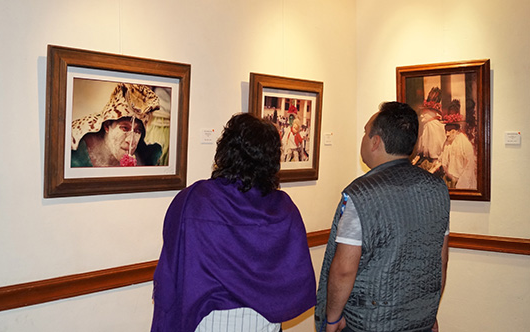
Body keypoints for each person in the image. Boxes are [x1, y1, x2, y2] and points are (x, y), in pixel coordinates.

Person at [151, 113, 316, 332]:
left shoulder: (195, 200)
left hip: (209, 318)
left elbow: (172, 266)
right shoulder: (283, 207)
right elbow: (294, 270)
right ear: (271, 159)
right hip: (264, 321)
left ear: (225, 151)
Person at [314, 102, 450, 332]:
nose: (364, 139)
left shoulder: (360, 194)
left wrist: (332, 318)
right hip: (419, 321)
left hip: (367, 322)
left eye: (366, 133)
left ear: (375, 141)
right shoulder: (437, 189)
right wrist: (429, 311)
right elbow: (441, 259)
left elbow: (344, 269)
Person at [70, 83, 162, 167]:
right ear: (107, 126)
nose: (131, 141)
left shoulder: (146, 160)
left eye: (138, 131)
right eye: (125, 128)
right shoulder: (75, 150)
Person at [412, 87, 446, 171]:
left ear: (433, 113)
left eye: (426, 112)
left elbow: (437, 151)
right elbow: (421, 150)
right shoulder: (425, 127)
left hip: (434, 164)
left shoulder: (434, 126)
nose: (422, 115)